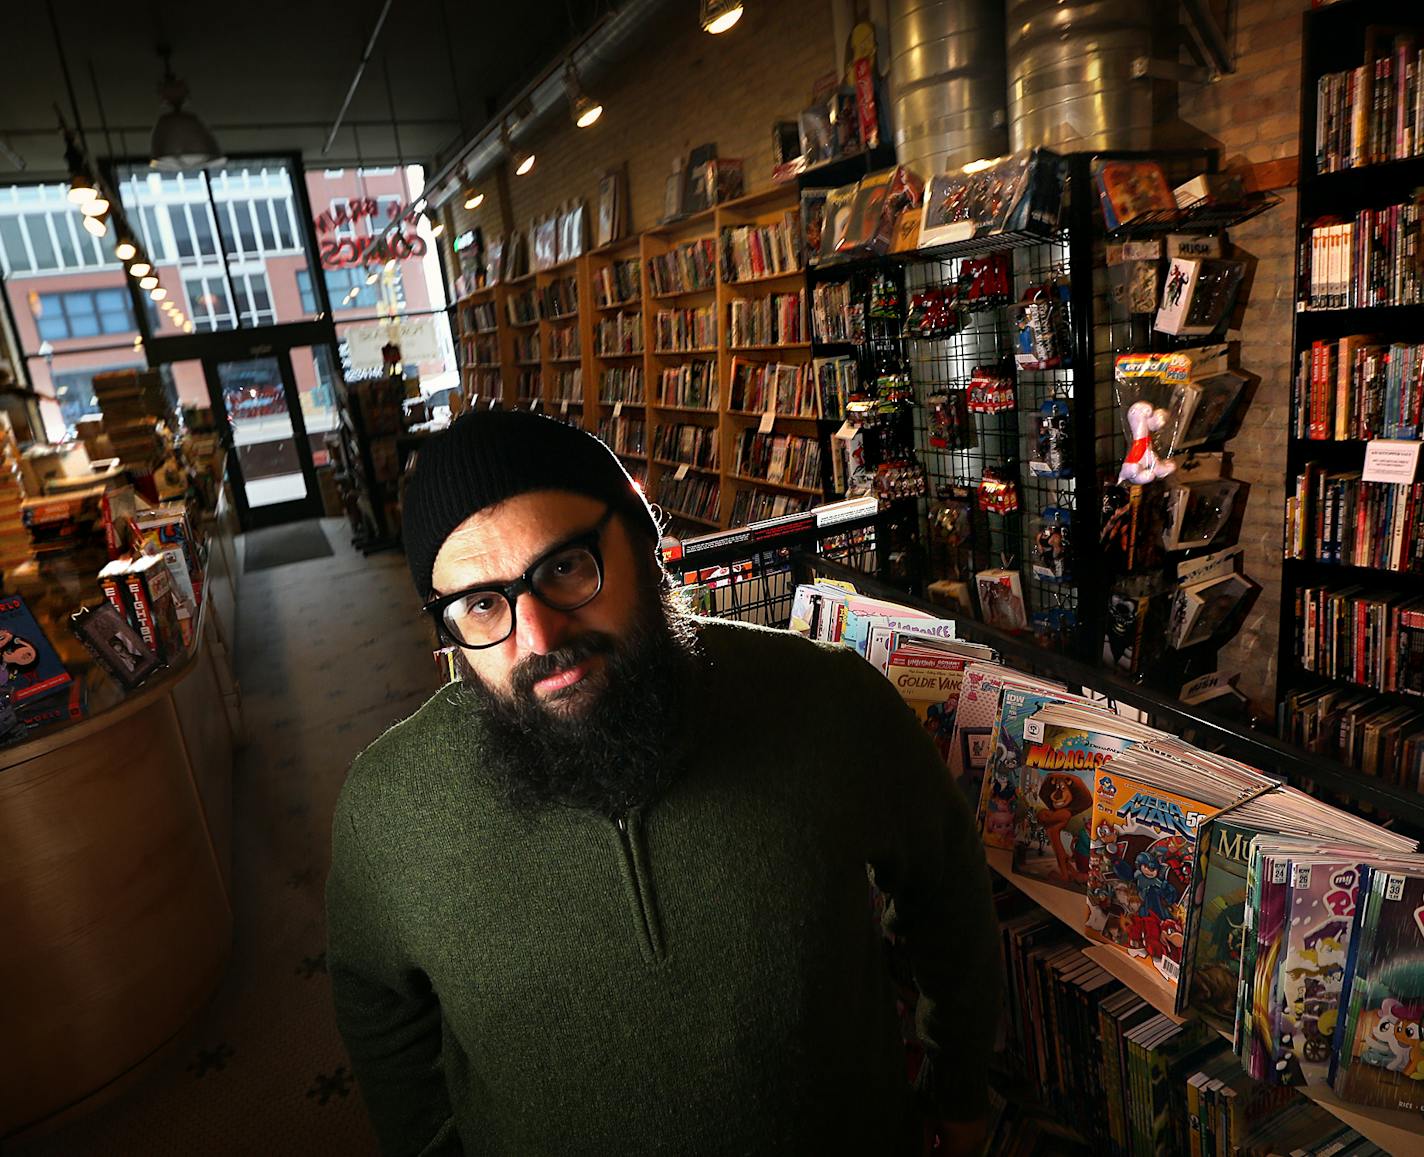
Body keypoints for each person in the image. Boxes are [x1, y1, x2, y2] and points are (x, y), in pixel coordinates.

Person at [326, 410, 1002, 1156]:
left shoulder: (827, 701)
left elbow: (947, 883)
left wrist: (961, 1090)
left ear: (644, 542)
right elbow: (376, 1003)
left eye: (565, 567)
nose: (540, 637)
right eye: (482, 604)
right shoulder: (389, 805)